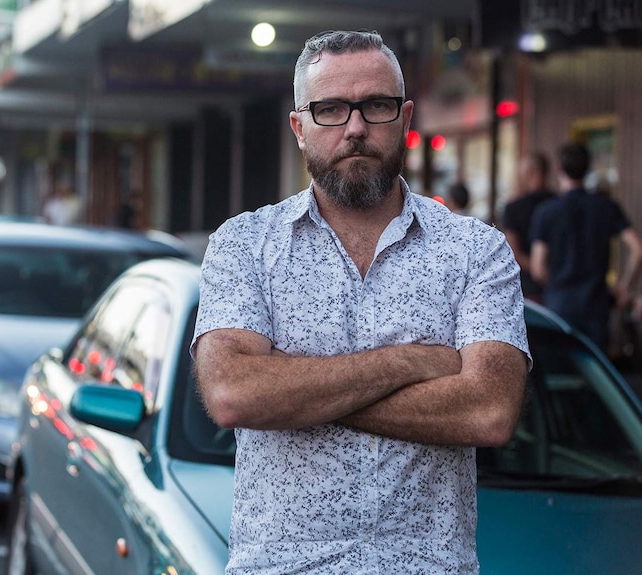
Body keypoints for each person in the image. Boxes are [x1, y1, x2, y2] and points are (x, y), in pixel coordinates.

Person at [191, 30, 530, 575]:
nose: (355, 128)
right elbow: (233, 394)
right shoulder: (243, 245)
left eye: (376, 105)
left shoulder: (475, 250)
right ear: (300, 128)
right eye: (331, 109)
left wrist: (292, 395)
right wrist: (411, 362)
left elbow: (488, 411)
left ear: (406, 117)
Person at [530, 141, 642, 351]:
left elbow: (537, 267)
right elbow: (637, 248)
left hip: (559, 303)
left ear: (558, 169)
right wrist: (625, 287)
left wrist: (556, 284)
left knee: (560, 372)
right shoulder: (606, 206)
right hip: (596, 303)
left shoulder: (546, 212)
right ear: (588, 169)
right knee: (597, 374)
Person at [501, 152, 556, 301]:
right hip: (562, 288)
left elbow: (514, 252)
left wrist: (539, 271)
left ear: (528, 173)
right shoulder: (559, 204)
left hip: (528, 289)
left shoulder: (514, 207)